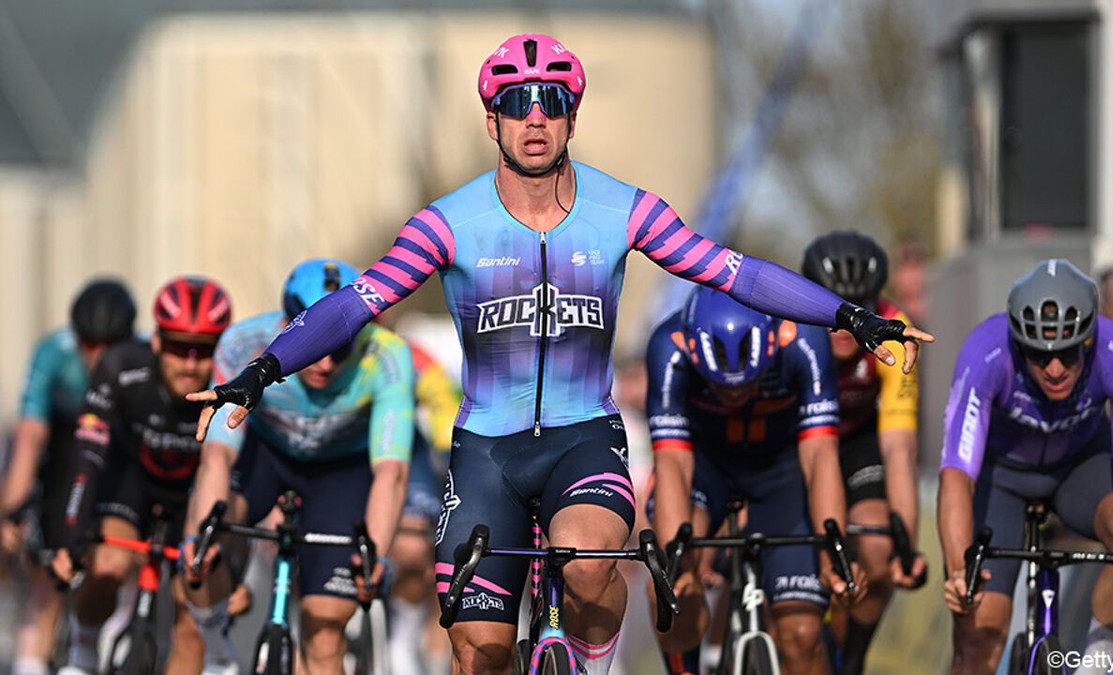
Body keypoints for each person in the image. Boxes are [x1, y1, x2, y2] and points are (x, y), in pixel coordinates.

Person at [187, 33, 932, 675]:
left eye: (551, 101)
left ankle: (592, 661)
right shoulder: (447, 223)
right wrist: (260, 372)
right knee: (479, 651)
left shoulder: (624, 210)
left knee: (585, 562)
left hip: (584, 438)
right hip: (487, 450)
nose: (535, 116)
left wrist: (851, 317)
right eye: (517, 103)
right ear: (493, 120)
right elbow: (355, 305)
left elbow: (735, 272)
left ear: (573, 115)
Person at [182, 258, 415, 675]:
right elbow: (217, 455)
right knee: (208, 540)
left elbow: (391, 472)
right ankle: (219, 656)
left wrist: (376, 553)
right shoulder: (243, 343)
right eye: (315, 348)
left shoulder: (388, 356)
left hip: (340, 471)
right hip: (267, 455)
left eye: (339, 348)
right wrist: (201, 535)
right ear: (288, 326)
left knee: (325, 634)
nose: (325, 364)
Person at [938, 259, 1113, 675]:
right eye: (1040, 356)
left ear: (1089, 341)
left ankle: (1092, 669)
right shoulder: (986, 351)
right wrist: (958, 573)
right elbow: (956, 475)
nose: (1055, 369)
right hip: (999, 478)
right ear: (1019, 344)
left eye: (1067, 353)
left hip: (1079, 468)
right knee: (977, 636)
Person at [645, 287, 865, 675]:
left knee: (802, 635)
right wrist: (677, 564)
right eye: (721, 386)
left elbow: (820, 457)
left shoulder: (804, 340)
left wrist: (832, 553)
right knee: (671, 583)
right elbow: (673, 464)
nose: (735, 395)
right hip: (703, 471)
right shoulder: (668, 346)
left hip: (781, 474)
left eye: (749, 384)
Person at [46, 276, 231, 675]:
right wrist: (70, 540)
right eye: (179, 347)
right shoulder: (119, 366)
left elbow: (241, 477)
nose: (190, 363)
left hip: (194, 492)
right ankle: (83, 651)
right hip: (133, 481)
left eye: (204, 350)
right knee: (107, 565)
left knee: (191, 615)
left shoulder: (233, 380)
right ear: (157, 341)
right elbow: (86, 458)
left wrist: (234, 563)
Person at [800, 231, 927, 675]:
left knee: (877, 543)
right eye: (834, 309)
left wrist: (905, 546)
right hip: (789, 442)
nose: (846, 325)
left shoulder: (893, 327)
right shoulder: (785, 326)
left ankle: (853, 657)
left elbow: (900, 449)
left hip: (856, 442)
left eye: (860, 307)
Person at [0, 278, 136, 675]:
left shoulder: (144, 356)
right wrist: (12, 512)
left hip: (121, 449)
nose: (99, 356)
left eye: (110, 345)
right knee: (47, 570)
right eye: (89, 344)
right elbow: (30, 437)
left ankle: (116, 620)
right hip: (65, 448)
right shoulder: (53, 353)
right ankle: (31, 656)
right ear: (76, 338)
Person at [386, 339, 460, 674]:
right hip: (333, 458)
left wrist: (450, 454)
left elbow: (444, 408)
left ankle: (403, 635)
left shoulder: (409, 356)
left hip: (401, 449)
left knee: (415, 546)